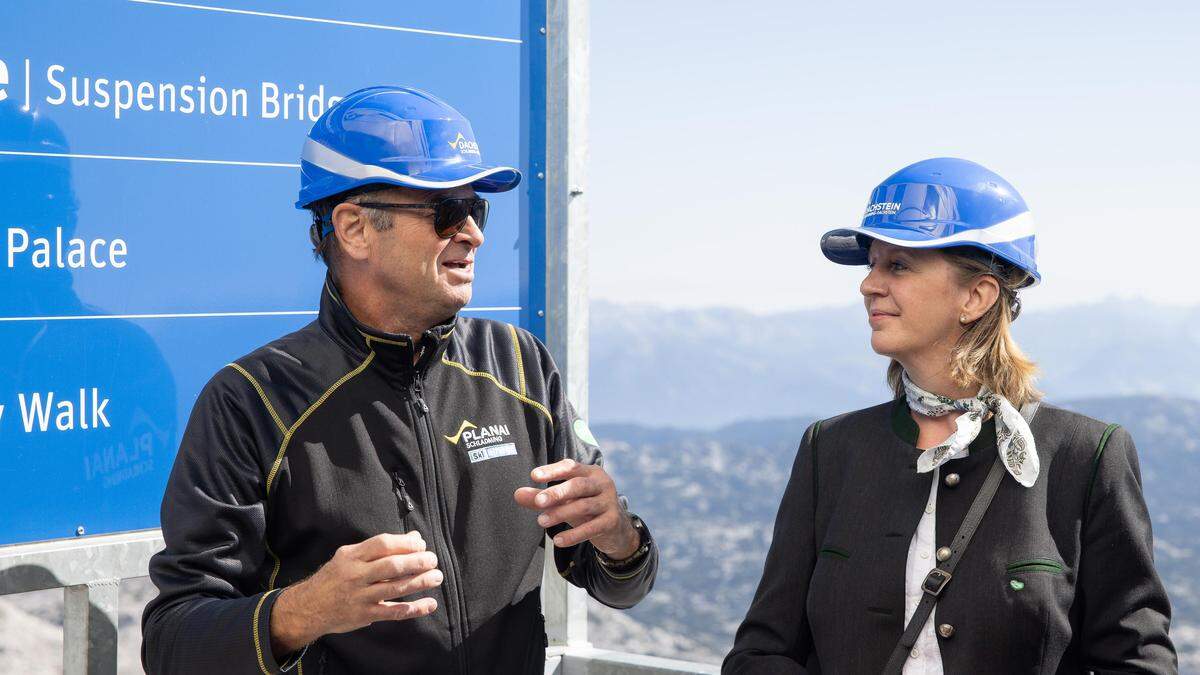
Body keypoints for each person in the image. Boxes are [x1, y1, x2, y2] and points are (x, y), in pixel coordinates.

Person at [141, 85, 657, 674]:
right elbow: (171, 644)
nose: (473, 234)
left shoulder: (520, 364)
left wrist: (620, 537)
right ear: (355, 228)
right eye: (445, 211)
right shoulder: (252, 401)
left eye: (477, 209)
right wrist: (305, 611)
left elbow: (622, 583)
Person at [723, 158, 1177, 674]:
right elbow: (759, 654)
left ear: (976, 296)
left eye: (897, 265)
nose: (868, 285)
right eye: (872, 264)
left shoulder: (1085, 456)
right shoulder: (831, 450)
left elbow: (1137, 662)